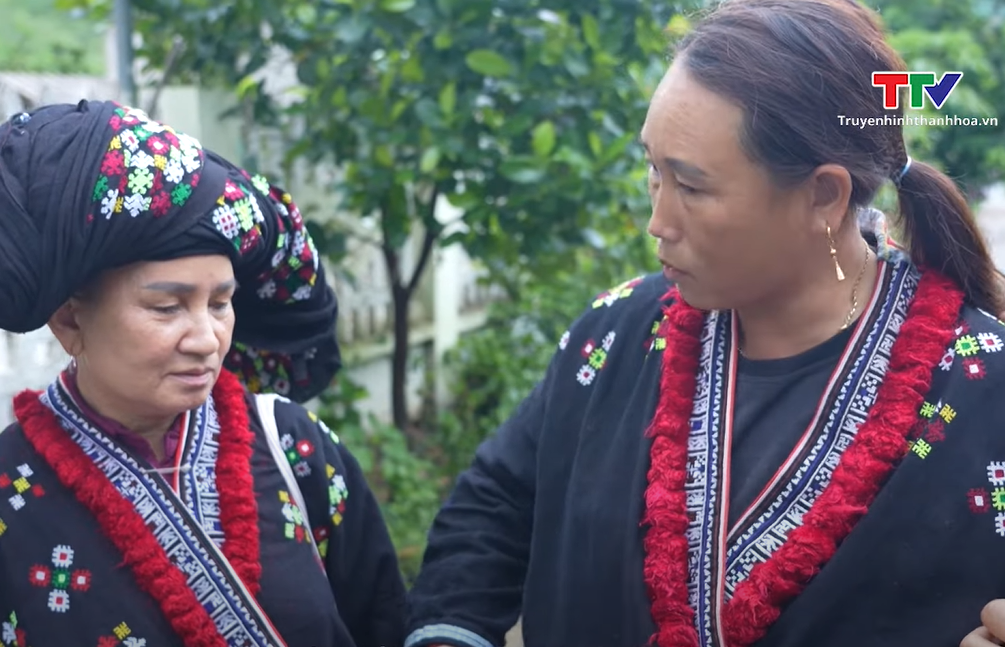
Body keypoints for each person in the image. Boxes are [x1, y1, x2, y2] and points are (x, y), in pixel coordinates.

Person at [404, 1, 1005, 646]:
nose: (657, 222)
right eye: (653, 171)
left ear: (823, 195)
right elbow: (496, 502)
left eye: (691, 188)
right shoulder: (618, 335)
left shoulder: (983, 391)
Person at [0, 100, 406, 647]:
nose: (206, 339)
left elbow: (385, 622)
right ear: (70, 320)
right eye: (167, 307)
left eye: (220, 303)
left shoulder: (294, 450)